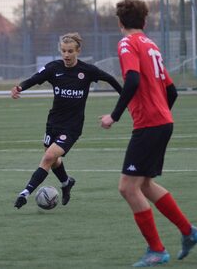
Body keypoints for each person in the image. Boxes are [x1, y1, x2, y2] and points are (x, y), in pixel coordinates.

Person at [99, 0, 197, 267]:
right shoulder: (151, 45)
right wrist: (160, 114)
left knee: (127, 187)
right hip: (161, 122)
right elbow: (172, 91)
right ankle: (188, 232)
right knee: (143, 185)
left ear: (120, 22)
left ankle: (157, 249)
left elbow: (132, 79)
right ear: (144, 22)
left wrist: (115, 115)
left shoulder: (126, 43)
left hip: (150, 124)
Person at [11, 32, 122, 209]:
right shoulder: (53, 68)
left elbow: (110, 79)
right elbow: (33, 79)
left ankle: (25, 193)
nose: (66, 55)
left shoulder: (87, 71)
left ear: (78, 51)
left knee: (48, 156)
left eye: (70, 51)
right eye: (63, 51)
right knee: (54, 159)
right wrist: (19, 88)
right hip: (53, 122)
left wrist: (125, 99)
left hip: (72, 126)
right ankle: (66, 182)